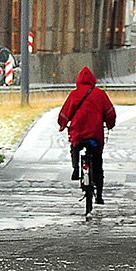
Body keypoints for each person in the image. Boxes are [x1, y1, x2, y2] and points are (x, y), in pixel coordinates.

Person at [58, 67, 117, 204]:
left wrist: (62, 124)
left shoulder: (74, 95)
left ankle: (76, 169)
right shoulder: (100, 94)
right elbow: (110, 113)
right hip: (95, 135)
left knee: (74, 146)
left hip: (78, 134)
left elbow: (64, 114)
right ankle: (99, 196)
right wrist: (109, 125)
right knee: (97, 162)